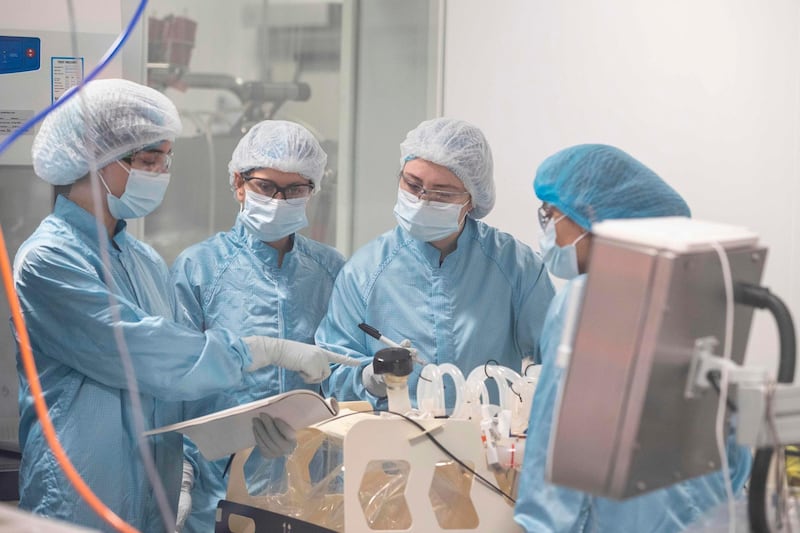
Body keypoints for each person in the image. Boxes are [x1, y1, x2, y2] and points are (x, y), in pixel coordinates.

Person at [13, 79, 338, 532]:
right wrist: (262, 350)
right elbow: (144, 352)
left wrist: (249, 438)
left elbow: (179, 393)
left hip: (153, 497)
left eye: (166, 159)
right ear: (94, 161)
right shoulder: (48, 260)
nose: (162, 172)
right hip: (81, 497)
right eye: (149, 160)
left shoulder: (143, 261)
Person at [513, 144, 752, 532]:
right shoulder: (695, 300)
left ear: (593, 221)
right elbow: (737, 454)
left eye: (551, 214)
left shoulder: (587, 300)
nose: (547, 229)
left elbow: (558, 462)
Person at [171, 120, 345, 532]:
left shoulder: (330, 270)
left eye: (295, 190)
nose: (280, 200)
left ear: (312, 191)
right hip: (217, 489)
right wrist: (179, 473)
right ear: (238, 183)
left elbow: (343, 376)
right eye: (266, 187)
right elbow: (176, 385)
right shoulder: (200, 269)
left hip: (312, 488)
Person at [315, 117, 555, 409]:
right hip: (392, 445)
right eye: (413, 184)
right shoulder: (364, 272)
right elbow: (334, 371)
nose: (422, 200)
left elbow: (557, 364)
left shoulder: (515, 266)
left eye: (442, 193)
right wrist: (371, 378)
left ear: (471, 200)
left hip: (484, 444)